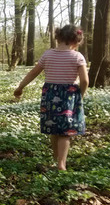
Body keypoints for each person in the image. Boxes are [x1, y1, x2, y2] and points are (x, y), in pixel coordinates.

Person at [14, 25, 89, 171]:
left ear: (58, 37)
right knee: (65, 132)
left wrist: (20, 87)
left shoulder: (47, 55)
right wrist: (81, 94)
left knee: (54, 128)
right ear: (76, 41)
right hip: (68, 95)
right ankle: (61, 164)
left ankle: (56, 161)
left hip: (50, 94)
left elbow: (33, 73)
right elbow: (85, 81)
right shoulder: (77, 57)